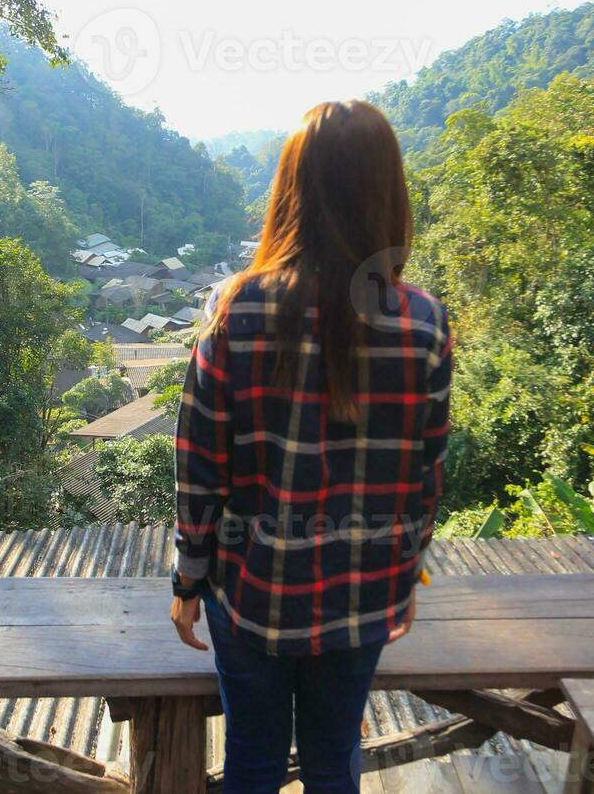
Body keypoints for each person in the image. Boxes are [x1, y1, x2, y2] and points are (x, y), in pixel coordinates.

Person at [170, 100, 452, 794]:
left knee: (253, 762)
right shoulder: (421, 323)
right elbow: (425, 475)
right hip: (362, 593)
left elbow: (198, 467)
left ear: (289, 189)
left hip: (249, 593)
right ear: (386, 192)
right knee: (332, 764)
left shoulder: (236, 307)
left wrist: (186, 581)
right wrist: (407, 573)